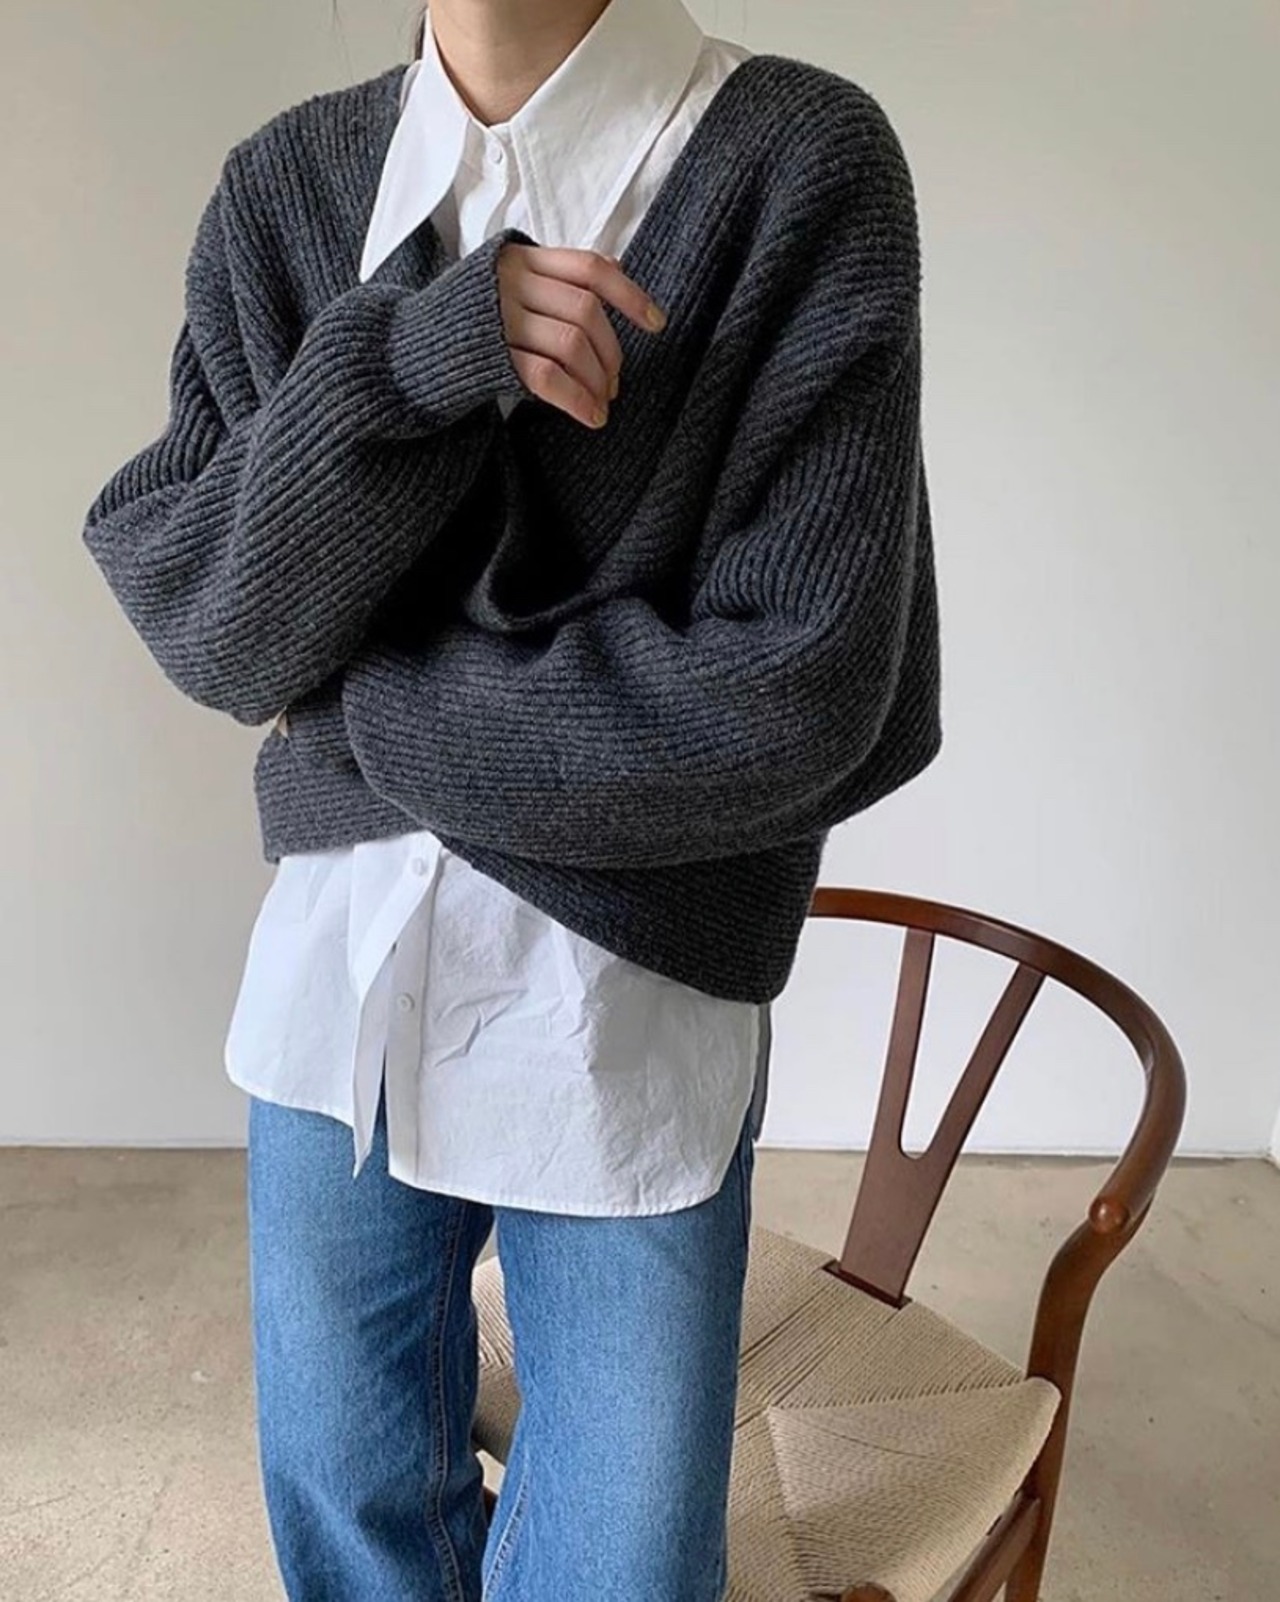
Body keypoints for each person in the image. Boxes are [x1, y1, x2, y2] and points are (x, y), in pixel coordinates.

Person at [80, 0, 941, 1596]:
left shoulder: (797, 163)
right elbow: (210, 621)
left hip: (628, 1014)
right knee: (347, 1515)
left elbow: (800, 695)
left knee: (623, 1565)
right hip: (334, 1002)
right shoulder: (288, 189)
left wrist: (359, 704)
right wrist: (408, 365)